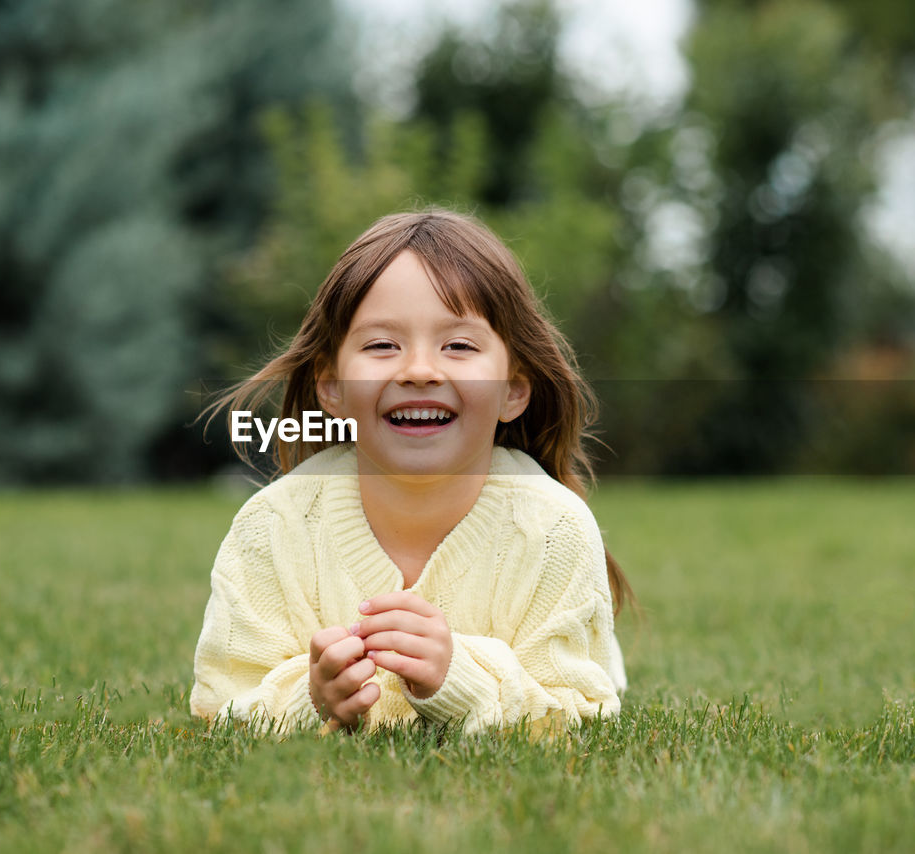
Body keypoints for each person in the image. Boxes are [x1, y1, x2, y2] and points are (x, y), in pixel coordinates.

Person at [190, 209, 632, 735]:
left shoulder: (556, 529)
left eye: (459, 346)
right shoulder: (271, 527)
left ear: (513, 389)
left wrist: (459, 679)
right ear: (331, 386)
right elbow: (221, 706)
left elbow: (581, 715)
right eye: (382, 345)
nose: (420, 370)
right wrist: (312, 700)